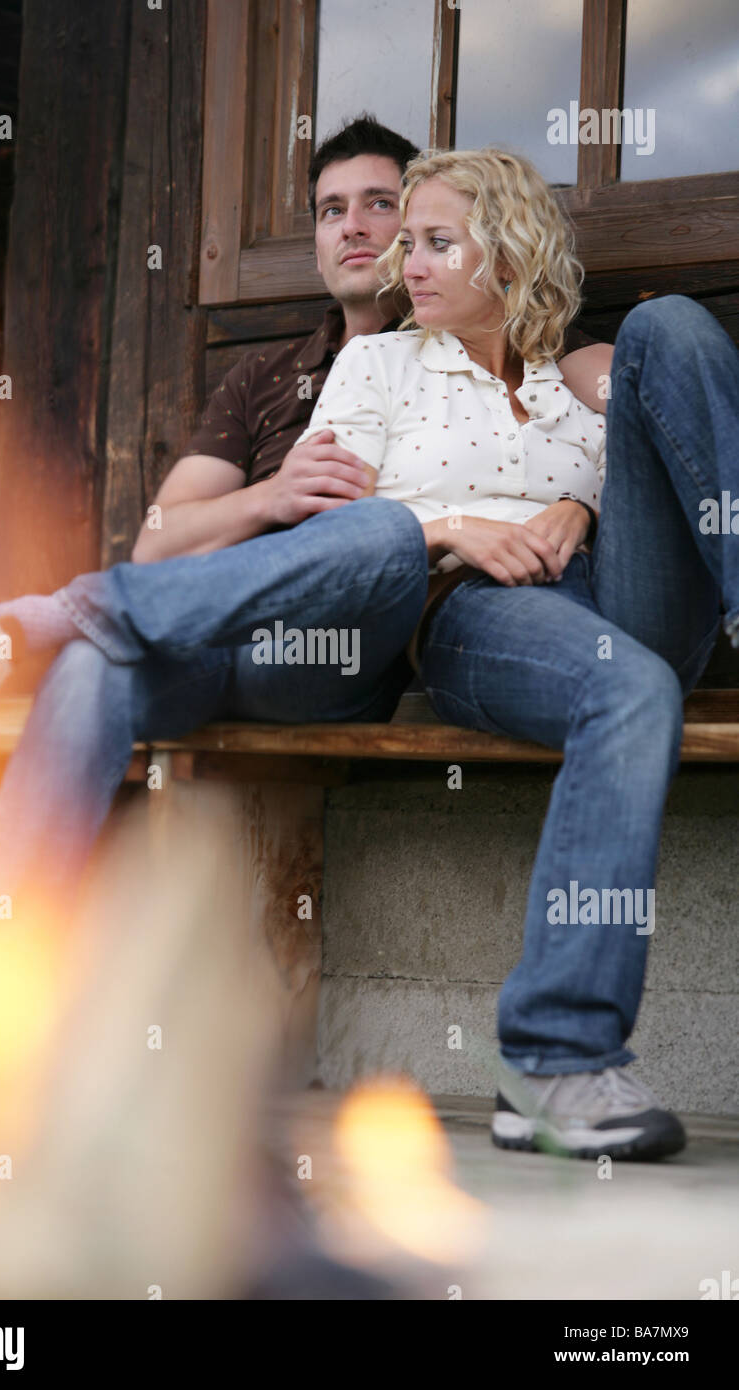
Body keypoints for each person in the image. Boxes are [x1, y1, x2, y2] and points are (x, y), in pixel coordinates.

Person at [0, 116, 610, 936]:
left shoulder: (517, 362)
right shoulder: (265, 375)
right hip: (205, 626)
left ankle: (42, 617)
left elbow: (594, 424)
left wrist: (558, 509)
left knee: (380, 535)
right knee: (92, 667)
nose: (361, 228)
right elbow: (157, 539)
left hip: (325, 650)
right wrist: (268, 499)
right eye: (333, 209)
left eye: (385, 207)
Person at [294, 145, 739, 1162]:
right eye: (405, 242)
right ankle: (552, 1056)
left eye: (437, 241)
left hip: (617, 592)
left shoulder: (570, 376)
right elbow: (329, 529)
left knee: (666, 324)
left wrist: (579, 501)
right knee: (627, 692)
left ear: (510, 250)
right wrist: (452, 525)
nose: (408, 261)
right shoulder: (379, 364)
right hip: (471, 607)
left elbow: (649, 462)